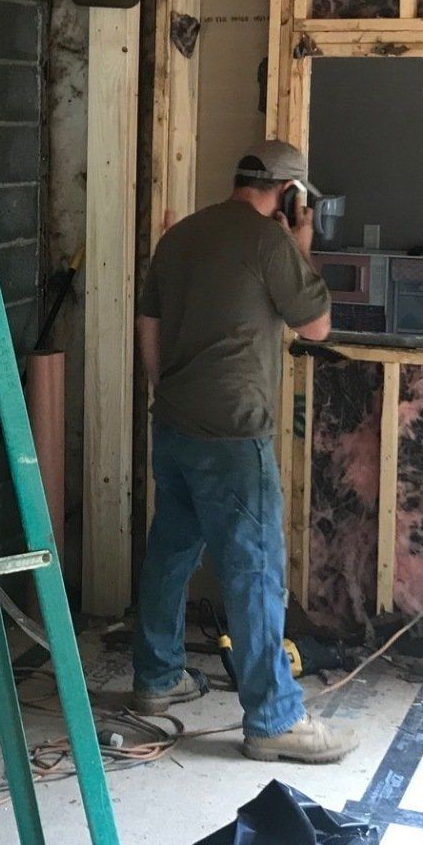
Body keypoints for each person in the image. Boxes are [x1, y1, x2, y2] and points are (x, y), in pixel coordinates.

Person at [132, 139, 359, 764]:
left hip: (174, 422)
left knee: (171, 550)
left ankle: (157, 678)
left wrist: (163, 393)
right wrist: (300, 245)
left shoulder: (180, 236)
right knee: (254, 568)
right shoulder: (270, 242)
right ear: (289, 193)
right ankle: (273, 720)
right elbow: (315, 325)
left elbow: (147, 323)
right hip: (233, 431)